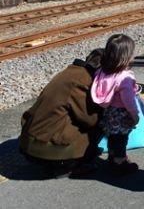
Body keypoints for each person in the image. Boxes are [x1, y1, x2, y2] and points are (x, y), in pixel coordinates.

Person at [19, 49, 104, 178]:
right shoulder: (83, 81)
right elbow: (89, 119)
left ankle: (63, 159)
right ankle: (68, 164)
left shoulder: (71, 72)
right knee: (102, 122)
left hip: (29, 140)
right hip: (41, 148)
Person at [91, 34, 140, 175]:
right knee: (121, 139)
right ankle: (119, 164)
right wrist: (135, 116)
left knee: (113, 136)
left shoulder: (101, 72)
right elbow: (129, 102)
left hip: (109, 113)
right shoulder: (125, 78)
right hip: (122, 114)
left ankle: (112, 156)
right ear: (126, 57)